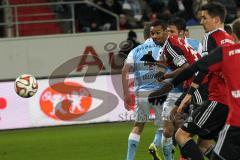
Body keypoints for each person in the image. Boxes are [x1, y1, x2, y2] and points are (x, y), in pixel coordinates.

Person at [150, 2, 235, 160]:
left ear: (216, 20)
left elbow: (203, 68)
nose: (201, 22)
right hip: (230, 99)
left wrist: (189, 93)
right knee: (205, 143)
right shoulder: (229, 39)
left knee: (182, 135)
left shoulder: (210, 37)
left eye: (204, 18)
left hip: (216, 97)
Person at [148, 17, 203, 160]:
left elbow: (185, 68)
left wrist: (165, 77)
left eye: (157, 33)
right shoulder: (171, 43)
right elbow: (162, 62)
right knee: (174, 118)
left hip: (196, 85)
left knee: (196, 132)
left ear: (166, 32)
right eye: (152, 34)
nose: (154, 37)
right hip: (191, 85)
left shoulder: (170, 46)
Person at [122, 20, 168, 160]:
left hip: (141, 94)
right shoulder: (163, 47)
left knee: (138, 126)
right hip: (160, 92)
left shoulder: (135, 50)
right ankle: (154, 145)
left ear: (144, 35)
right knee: (163, 126)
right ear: (152, 33)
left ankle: (129, 159)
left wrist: (126, 94)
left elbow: (125, 70)